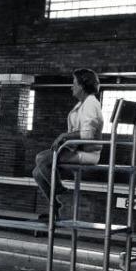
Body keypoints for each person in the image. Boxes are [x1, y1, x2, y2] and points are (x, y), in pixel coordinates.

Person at [32, 68, 104, 220]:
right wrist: (65, 139)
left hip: (88, 153)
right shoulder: (83, 103)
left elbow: (88, 134)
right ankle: (56, 205)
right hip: (76, 148)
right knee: (37, 172)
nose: (72, 87)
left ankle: (61, 192)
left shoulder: (91, 103)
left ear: (82, 86)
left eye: (74, 83)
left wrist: (65, 136)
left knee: (41, 158)